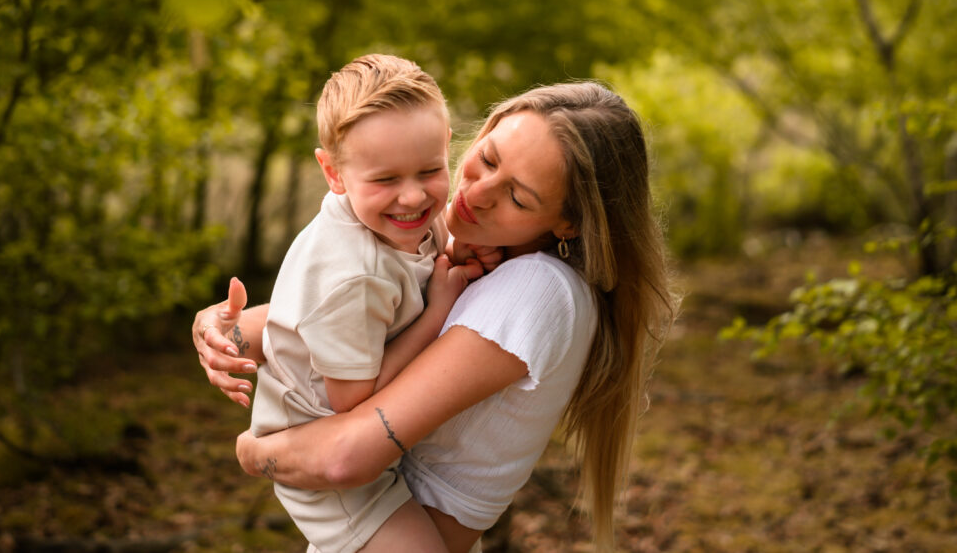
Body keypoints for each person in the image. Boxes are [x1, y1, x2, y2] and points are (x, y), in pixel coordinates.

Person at [195, 81, 676, 552]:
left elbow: (345, 457)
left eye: (518, 197)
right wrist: (221, 332)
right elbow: (331, 315)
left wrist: (255, 454)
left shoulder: (538, 286)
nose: (478, 192)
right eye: (488, 159)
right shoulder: (460, 245)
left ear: (569, 222)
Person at [236, 53, 487, 553]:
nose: (412, 197)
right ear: (333, 173)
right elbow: (352, 402)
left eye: (430, 170)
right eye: (385, 180)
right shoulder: (351, 274)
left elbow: (432, 256)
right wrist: (437, 313)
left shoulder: (408, 220)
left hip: (376, 436)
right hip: (320, 449)